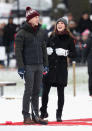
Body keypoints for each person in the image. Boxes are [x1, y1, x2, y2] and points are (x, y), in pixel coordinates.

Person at [15, 6, 48, 125]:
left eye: (38, 17)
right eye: (36, 17)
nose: (38, 19)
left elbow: (43, 48)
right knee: (28, 91)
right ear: (29, 19)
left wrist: (46, 64)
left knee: (37, 91)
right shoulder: (21, 33)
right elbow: (18, 52)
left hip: (39, 65)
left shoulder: (41, 32)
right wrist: (21, 67)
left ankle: (36, 116)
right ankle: (26, 116)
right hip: (28, 66)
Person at [40, 17, 76, 122]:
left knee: (60, 93)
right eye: (58, 23)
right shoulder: (51, 36)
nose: (59, 25)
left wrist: (66, 53)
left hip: (61, 69)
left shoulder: (69, 38)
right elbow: (44, 48)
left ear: (65, 26)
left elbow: (75, 54)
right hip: (50, 68)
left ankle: (59, 114)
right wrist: (46, 51)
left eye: (62, 23)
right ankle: (43, 112)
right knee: (45, 92)